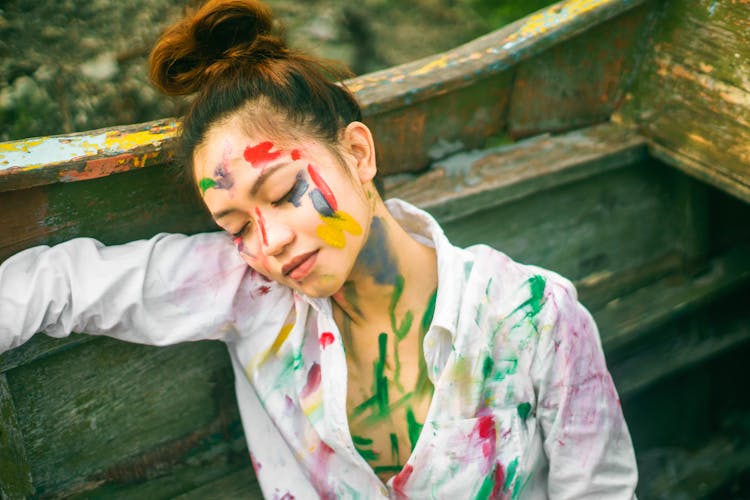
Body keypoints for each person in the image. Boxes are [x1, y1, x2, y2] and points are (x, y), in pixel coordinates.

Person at [0, 0, 638, 498]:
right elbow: (58, 282)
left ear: (358, 153)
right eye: (236, 225)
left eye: (281, 192)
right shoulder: (254, 294)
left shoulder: (533, 317)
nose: (268, 242)